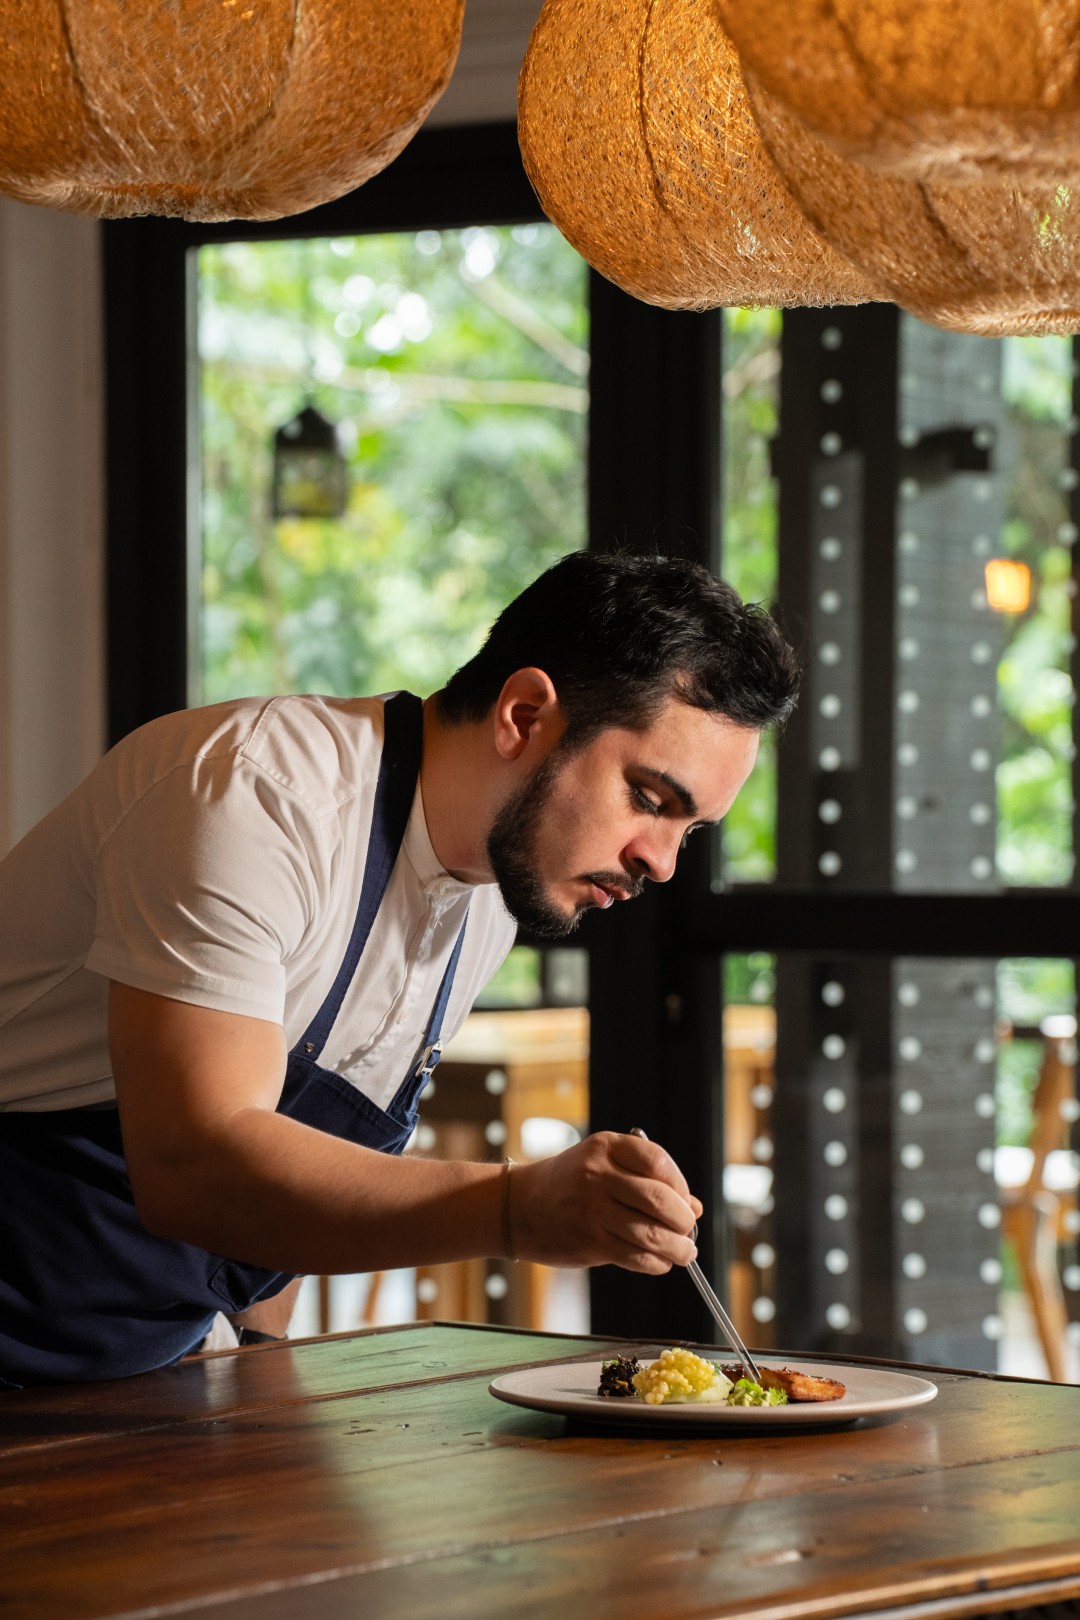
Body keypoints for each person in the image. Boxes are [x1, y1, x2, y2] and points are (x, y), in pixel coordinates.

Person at [0, 550, 799, 1387]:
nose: (663, 864)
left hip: (135, 1376)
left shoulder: (488, 895)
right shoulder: (257, 795)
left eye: (691, 829)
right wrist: (516, 1209)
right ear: (524, 714)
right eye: (649, 798)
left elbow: (305, 1149)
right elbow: (194, 1164)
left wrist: (256, 1365)